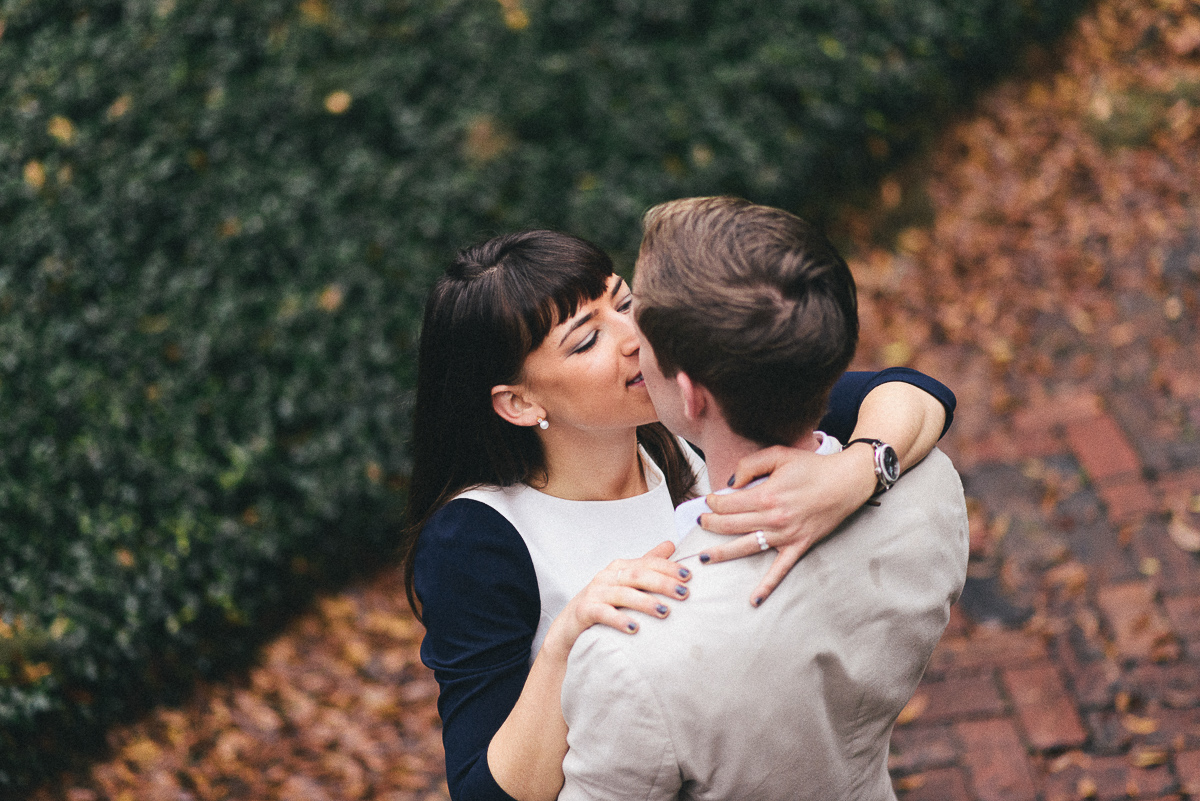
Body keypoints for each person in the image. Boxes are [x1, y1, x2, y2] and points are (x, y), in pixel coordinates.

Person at [402, 229, 955, 801]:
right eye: (587, 339)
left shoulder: (690, 417)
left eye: (623, 303)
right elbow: (481, 793)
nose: (634, 338)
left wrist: (855, 473)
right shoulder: (475, 540)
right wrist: (568, 638)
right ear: (519, 402)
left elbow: (915, 390)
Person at [559, 197, 970, 800]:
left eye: (634, 321)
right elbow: (915, 395)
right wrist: (860, 469)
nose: (626, 344)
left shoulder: (633, 658)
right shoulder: (930, 487)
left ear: (691, 395)